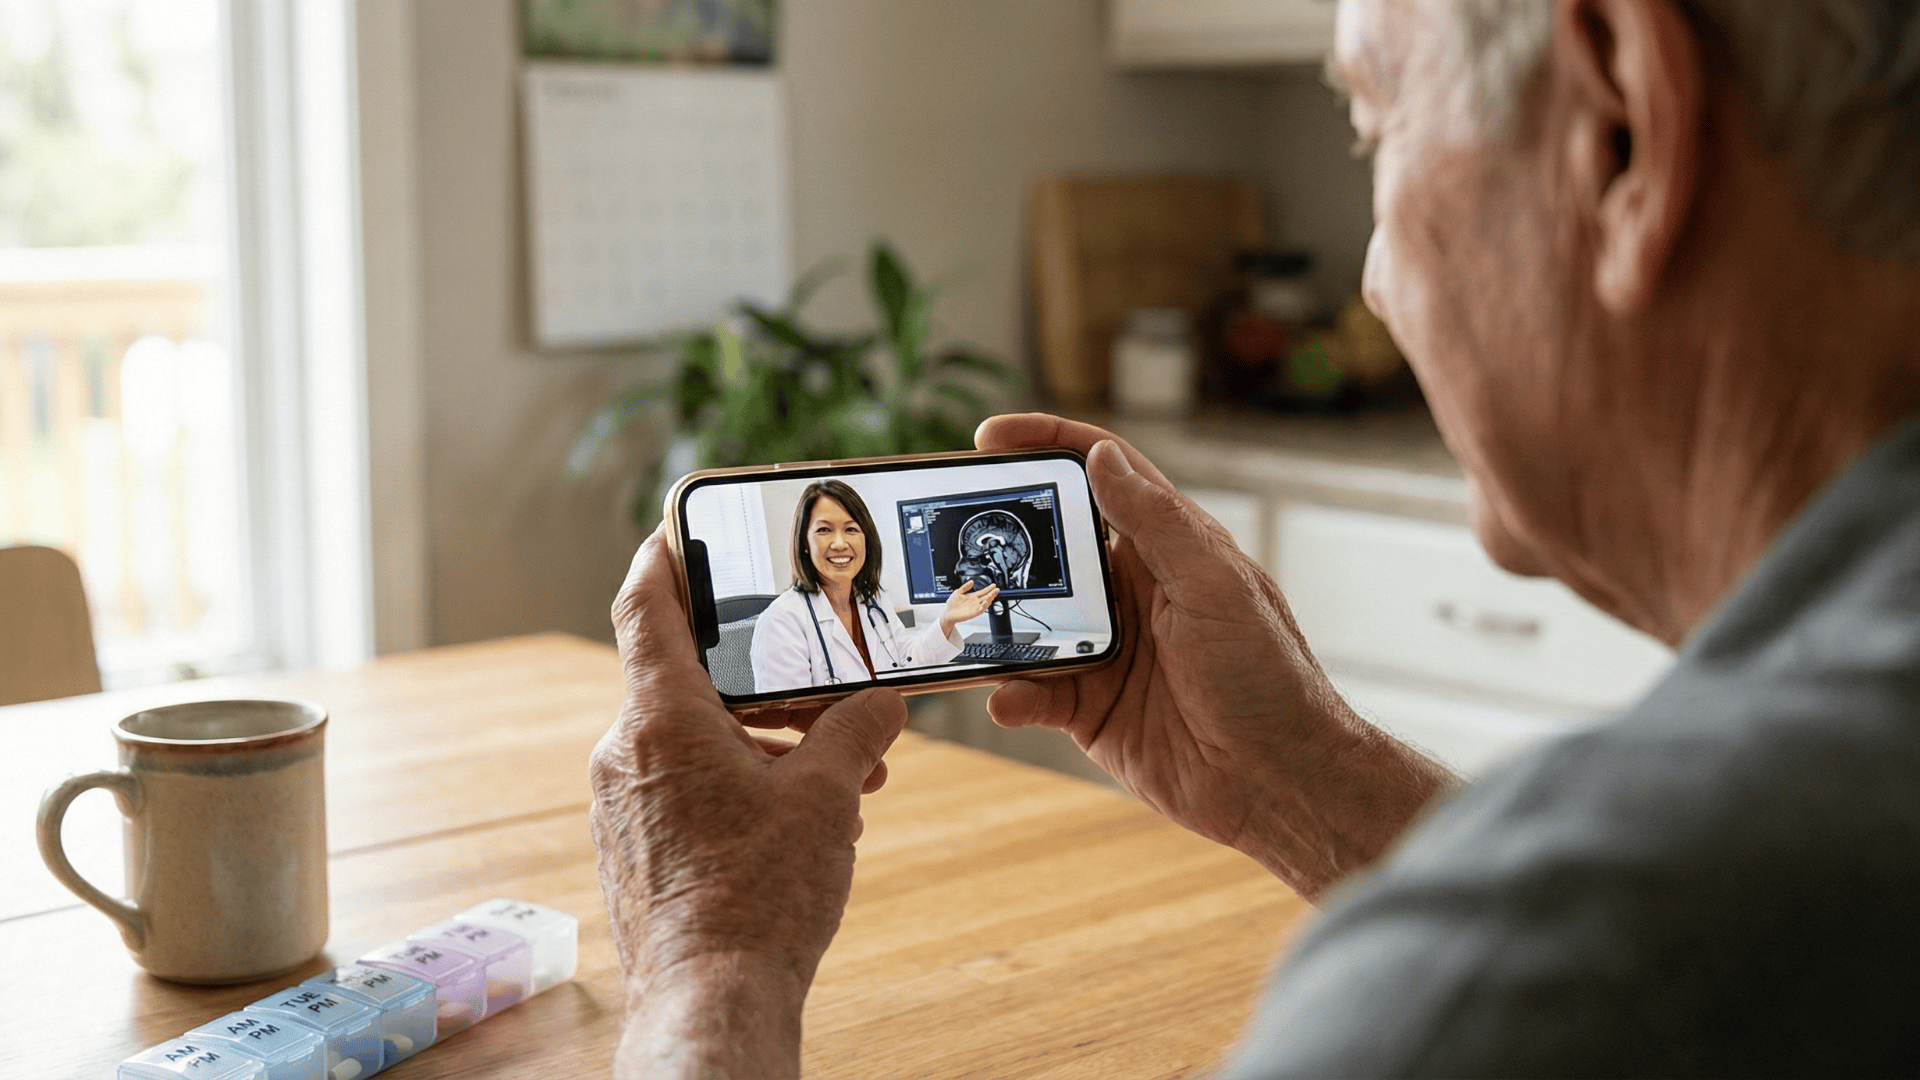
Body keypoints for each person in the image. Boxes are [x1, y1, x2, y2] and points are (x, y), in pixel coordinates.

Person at [588, 0, 1920, 1075]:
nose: (1375, 282)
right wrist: (1309, 780)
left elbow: (1591, 976)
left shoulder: (1561, 973)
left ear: (1623, 128)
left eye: (1371, 126)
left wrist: (712, 960)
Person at [749, 479, 995, 692]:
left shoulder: (872, 600)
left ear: (866, 539)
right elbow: (782, 720)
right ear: (804, 542)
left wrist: (946, 620)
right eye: (824, 530)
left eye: (851, 529)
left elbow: (906, 663)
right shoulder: (781, 622)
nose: (839, 543)